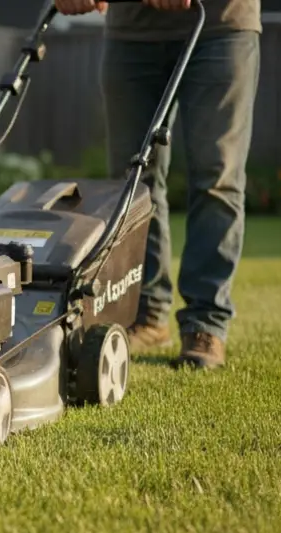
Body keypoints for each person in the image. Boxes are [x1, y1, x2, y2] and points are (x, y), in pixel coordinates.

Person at [54, 0, 261, 369]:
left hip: (219, 24)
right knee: (133, 184)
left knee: (217, 177)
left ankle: (205, 322)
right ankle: (144, 312)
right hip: (133, 33)